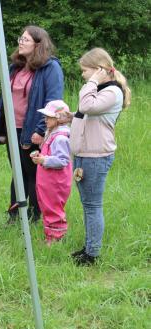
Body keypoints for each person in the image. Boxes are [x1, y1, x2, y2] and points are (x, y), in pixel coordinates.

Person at [0, 25, 64, 224]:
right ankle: (14, 214)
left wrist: (41, 130)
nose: (20, 42)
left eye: (25, 40)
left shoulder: (50, 67)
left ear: (38, 44)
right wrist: (1, 129)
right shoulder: (16, 67)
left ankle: (33, 216)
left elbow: (53, 102)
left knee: (33, 174)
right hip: (14, 130)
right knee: (17, 173)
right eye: (20, 39)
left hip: (33, 131)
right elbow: (4, 100)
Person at [70, 48, 131, 266]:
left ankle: (92, 254)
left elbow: (87, 106)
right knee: (88, 204)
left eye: (85, 71)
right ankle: (88, 247)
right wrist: (68, 117)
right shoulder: (101, 90)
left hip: (95, 157)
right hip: (85, 155)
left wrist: (92, 82)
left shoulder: (111, 92)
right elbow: (85, 114)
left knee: (93, 206)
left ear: (98, 70)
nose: (83, 76)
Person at [31, 100, 73, 246]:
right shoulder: (51, 133)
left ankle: (56, 238)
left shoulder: (60, 137)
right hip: (47, 181)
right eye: (45, 117)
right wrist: (40, 154)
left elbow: (62, 160)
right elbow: (50, 153)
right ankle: (50, 236)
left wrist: (44, 160)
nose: (45, 120)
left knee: (53, 208)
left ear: (59, 118)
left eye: (49, 117)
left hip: (55, 182)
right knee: (47, 207)